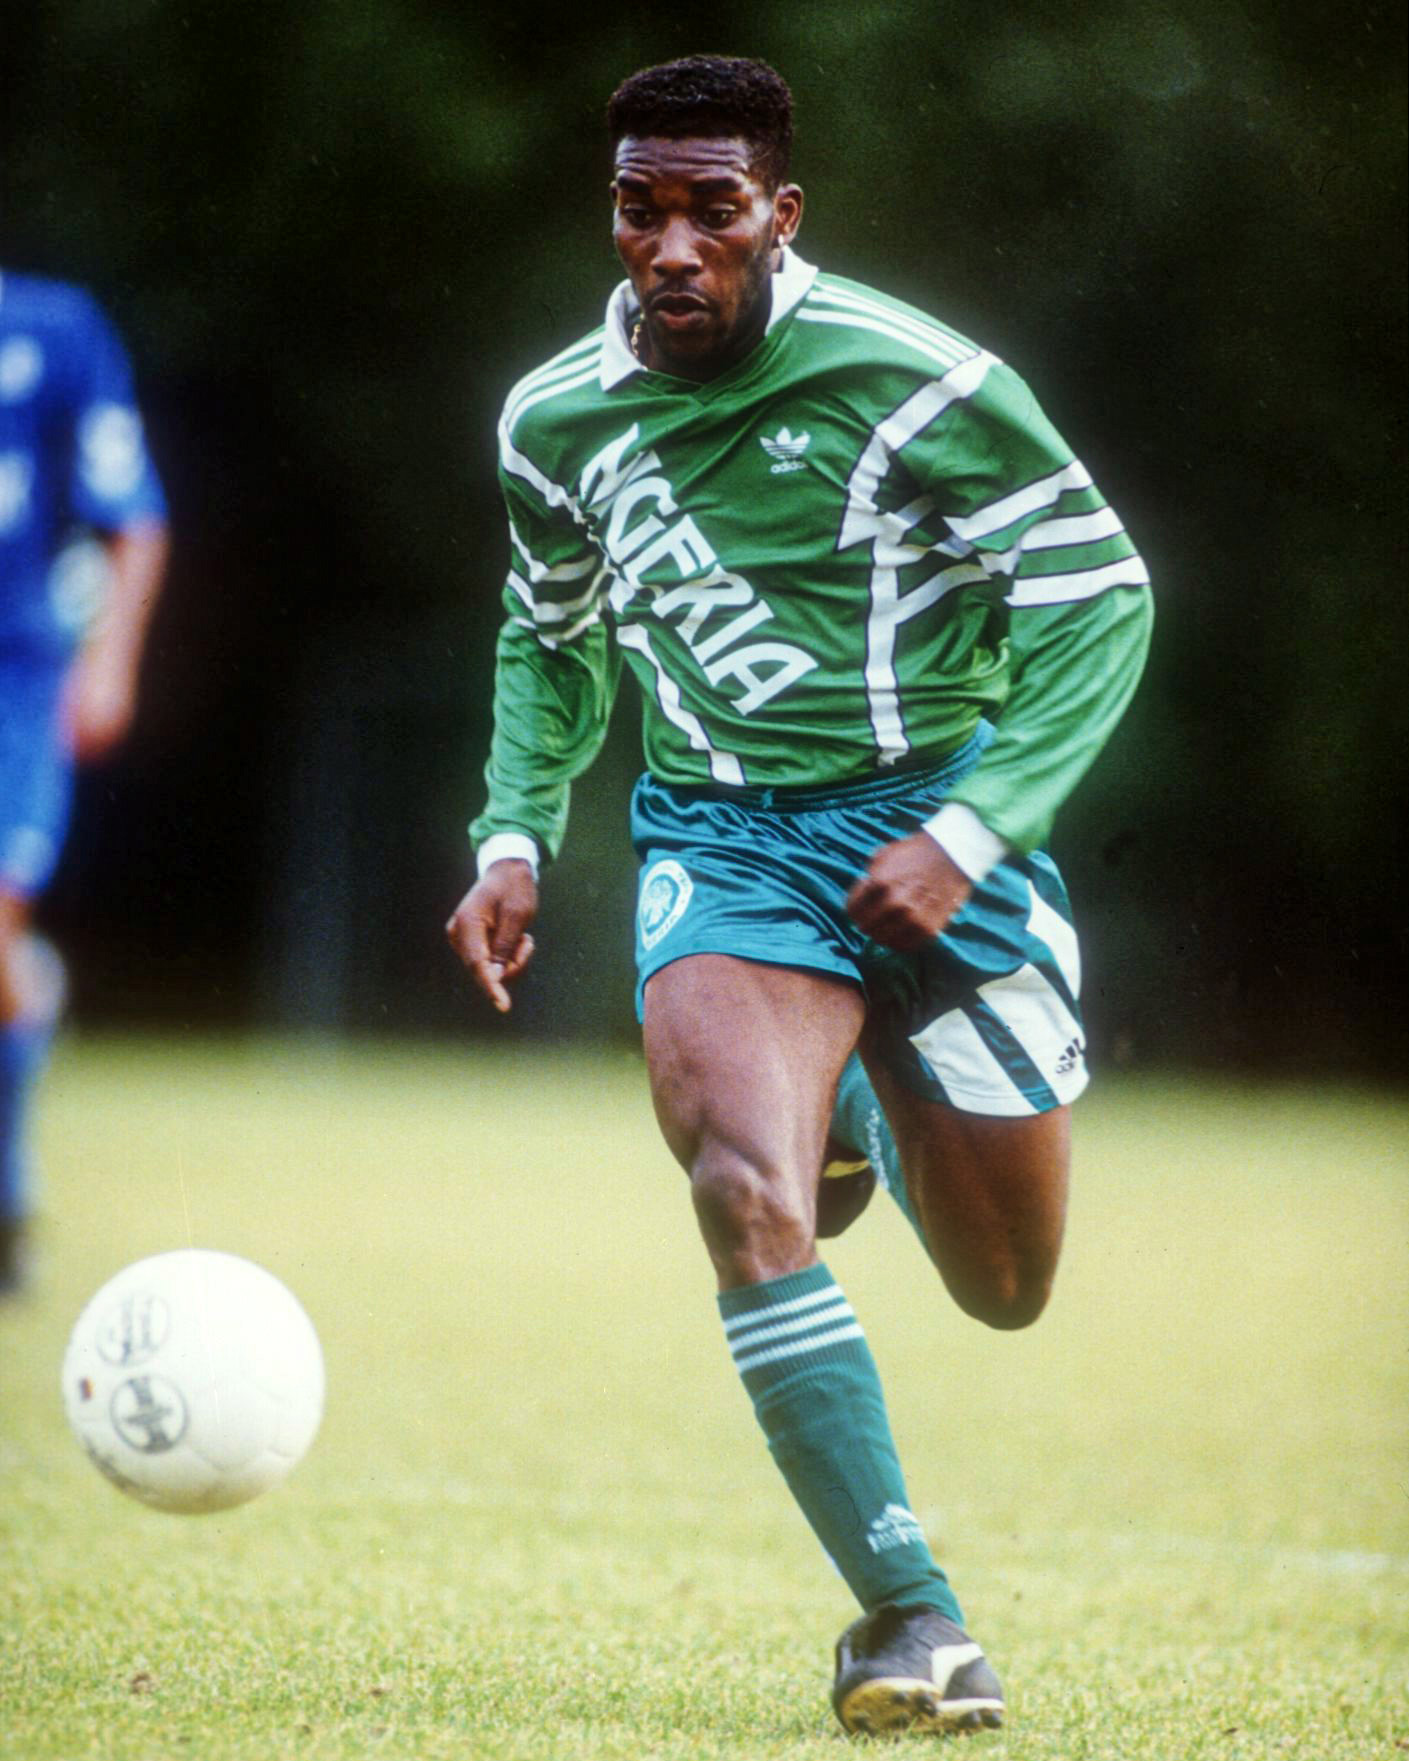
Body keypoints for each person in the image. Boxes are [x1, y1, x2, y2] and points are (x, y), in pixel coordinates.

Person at [447, 54, 1151, 1737]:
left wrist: (978, 830)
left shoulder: (916, 385)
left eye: (710, 207)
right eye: (640, 208)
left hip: (929, 831)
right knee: (740, 1190)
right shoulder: (554, 419)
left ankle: (869, 1114)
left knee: (1002, 1285)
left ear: (780, 214)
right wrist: (511, 835)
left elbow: (1096, 596)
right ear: (611, 217)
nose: (671, 245)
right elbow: (546, 632)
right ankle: (912, 1620)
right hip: (722, 838)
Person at [0, 268, 169, 1293]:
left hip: (16, 674)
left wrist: (108, 659)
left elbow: (132, 515)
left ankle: (7, 1183)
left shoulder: (54, 329)